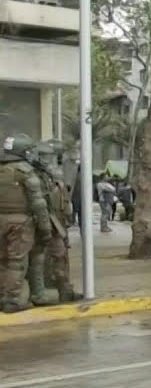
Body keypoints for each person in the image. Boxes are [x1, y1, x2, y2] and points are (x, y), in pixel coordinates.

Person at [0, 134, 54, 313]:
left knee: (2, 260)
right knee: (16, 262)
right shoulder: (25, 172)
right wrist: (45, 229)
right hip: (20, 224)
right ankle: (12, 300)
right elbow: (38, 204)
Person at [33, 141, 78, 302]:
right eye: (46, 157)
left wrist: (67, 216)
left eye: (52, 157)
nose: (49, 161)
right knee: (37, 259)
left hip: (57, 224)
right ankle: (39, 294)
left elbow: (63, 200)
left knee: (60, 257)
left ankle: (65, 291)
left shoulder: (53, 177)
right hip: (43, 223)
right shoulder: (35, 177)